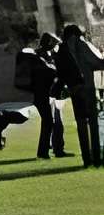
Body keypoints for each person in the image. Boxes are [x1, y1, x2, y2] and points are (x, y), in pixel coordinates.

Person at [57, 22, 104, 166]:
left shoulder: (61, 51)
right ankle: (96, 158)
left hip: (74, 90)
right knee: (93, 124)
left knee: (81, 124)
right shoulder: (81, 46)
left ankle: (86, 159)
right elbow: (96, 63)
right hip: (87, 88)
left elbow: (60, 74)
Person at [14, 29, 66, 160]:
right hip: (40, 92)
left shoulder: (44, 54)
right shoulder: (37, 56)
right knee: (48, 120)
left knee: (49, 121)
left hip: (44, 92)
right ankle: (43, 152)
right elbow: (47, 71)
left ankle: (45, 150)